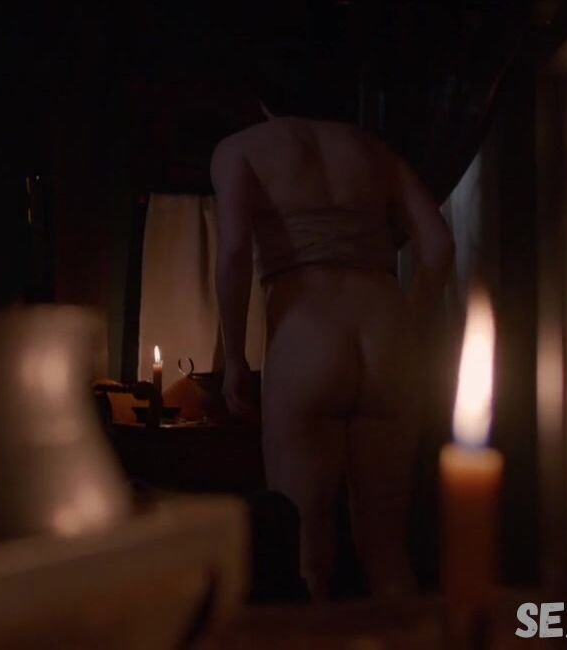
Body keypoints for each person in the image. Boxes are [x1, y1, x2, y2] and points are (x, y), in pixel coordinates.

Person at [211, 44, 454, 601]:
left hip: (308, 339)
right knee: (388, 554)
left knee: (307, 559)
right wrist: (411, 326)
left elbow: (233, 252)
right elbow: (439, 246)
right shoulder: (375, 151)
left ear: (261, 94)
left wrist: (234, 360)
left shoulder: (240, 149)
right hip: (387, 337)